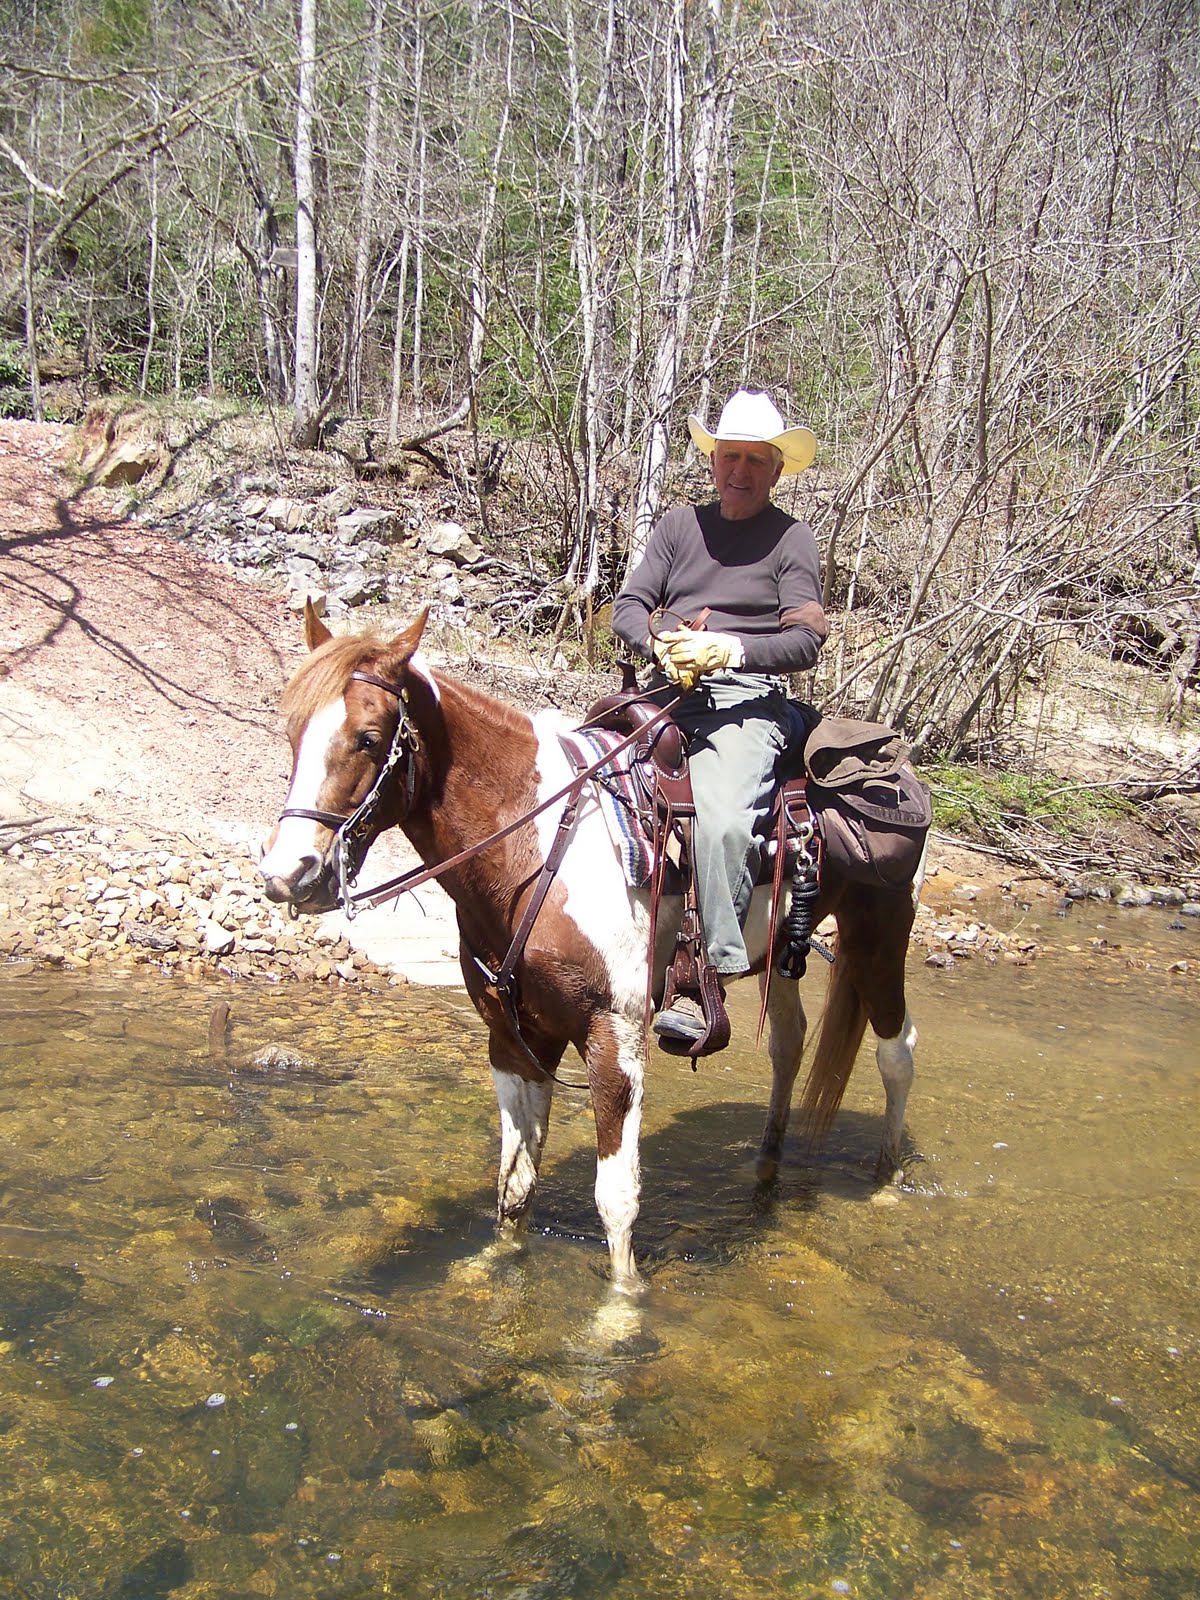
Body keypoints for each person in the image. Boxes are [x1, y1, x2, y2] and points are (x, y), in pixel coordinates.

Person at [612, 388, 828, 1048]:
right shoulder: (680, 527)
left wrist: (730, 647)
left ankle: (710, 974)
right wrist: (662, 641)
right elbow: (628, 604)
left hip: (747, 703)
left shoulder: (792, 540)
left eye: (754, 460)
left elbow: (807, 639)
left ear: (776, 469)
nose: (738, 471)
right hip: (669, 690)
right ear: (713, 461)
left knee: (726, 821)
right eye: (728, 456)